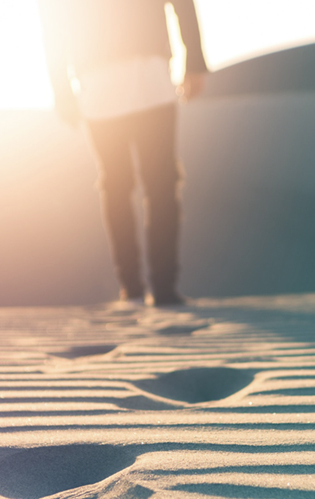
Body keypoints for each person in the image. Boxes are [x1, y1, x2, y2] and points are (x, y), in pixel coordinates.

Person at [39, 0, 208, 306]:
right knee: (152, 184)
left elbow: (52, 18)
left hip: (117, 80)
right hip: (133, 79)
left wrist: (61, 89)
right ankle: (157, 288)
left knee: (122, 184)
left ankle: (136, 287)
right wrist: (194, 62)